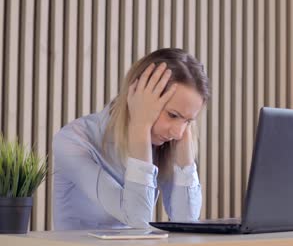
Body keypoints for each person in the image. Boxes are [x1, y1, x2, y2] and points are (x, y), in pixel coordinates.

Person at [52, 48, 210, 230]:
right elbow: (137, 220)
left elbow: (186, 223)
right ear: (139, 97)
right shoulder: (73, 140)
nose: (177, 132)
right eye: (173, 115)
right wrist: (140, 126)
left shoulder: (164, 142)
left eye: (188, 121)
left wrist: (184, 144)